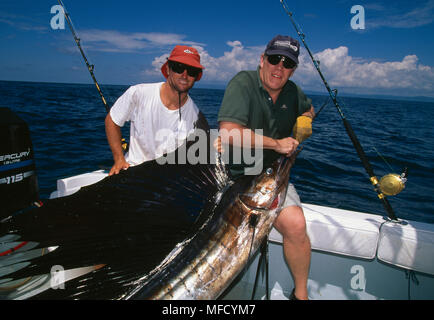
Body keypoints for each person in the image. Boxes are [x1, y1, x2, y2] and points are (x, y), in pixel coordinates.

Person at [217, 35, 315, 300]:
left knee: (295, 224)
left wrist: (304, 122)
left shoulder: (293, 91)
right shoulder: (243, 83)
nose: (279, 68)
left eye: (287, 63)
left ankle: (301, 295)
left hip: (271, 179)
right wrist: (277, 144)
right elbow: (228, 134)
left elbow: (309, 110)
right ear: (262, 60)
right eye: (274, 59)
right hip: (232, 178)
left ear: (293, 69)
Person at [105, 45, 205, 175]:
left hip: (167, 181)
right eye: (179, 68)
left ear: (196, 77)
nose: (184, 75)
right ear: (168, 69)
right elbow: (112, 120)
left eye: (191, 71)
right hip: (132, 172)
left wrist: (215, 145)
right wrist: (119, 159)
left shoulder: (196, 116)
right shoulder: (138, 93)